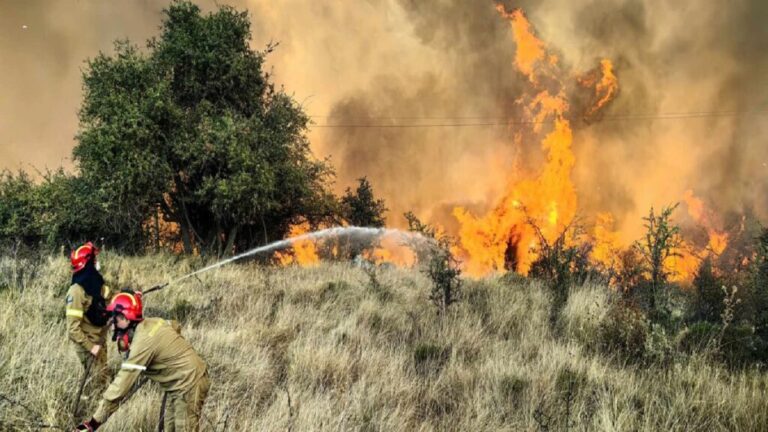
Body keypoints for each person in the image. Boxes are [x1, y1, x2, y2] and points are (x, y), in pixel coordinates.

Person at [75, 291, 210, 432]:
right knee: (169, 428)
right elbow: (175, 325)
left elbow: (120, 386)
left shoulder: (142, 343)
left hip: (190, 382)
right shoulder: (154, 322)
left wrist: (93, 424)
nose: (113, 326)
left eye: (115, 319)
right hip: (177, 385)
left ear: (127, 318)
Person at [65, 241, 112, 402]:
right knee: (99, 384)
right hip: (89, 345)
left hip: (100, 340)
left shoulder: (96, 282)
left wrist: (130, 296)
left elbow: (109, 300)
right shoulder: (76, 291)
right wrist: (91, 348)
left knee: (103, 377)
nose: (97, 263)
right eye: (94, 261)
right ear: (88, 264)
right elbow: (73, 329)